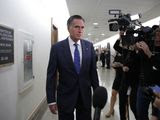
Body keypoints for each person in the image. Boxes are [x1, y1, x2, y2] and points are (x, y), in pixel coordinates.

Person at [46, 15, 99, 120]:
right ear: (68, 28)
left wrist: (97, 94)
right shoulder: (57, 48)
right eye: (76, 27)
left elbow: (93, 73)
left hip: (85, 96)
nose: (80, 30)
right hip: (65, 96)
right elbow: (51, 76)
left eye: (82, 27)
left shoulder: (89, 46)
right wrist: (51, 99)